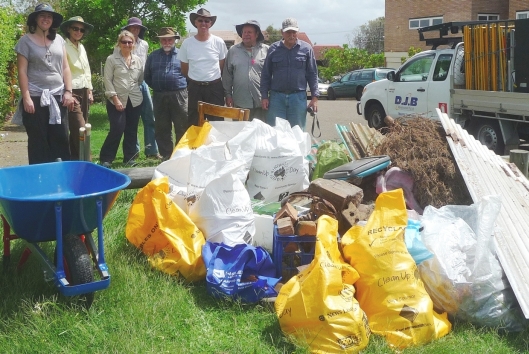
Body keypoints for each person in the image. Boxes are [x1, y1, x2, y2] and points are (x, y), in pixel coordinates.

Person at [15, 3, 74, 164]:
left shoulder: (60, 40)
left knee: (61, 137)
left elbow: (66, 67)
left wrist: (68, 92)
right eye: (42, 15)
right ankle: (38, 180)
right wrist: (26, 97)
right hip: (35, 97)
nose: (46, 19)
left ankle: (61, 178)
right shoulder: (25, 42)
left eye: (49, 16)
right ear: (35, 19)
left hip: (58, 96)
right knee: (38, 140)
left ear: (53, 20)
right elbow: (22, 71)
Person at [260, 18, 319, 129]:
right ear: (282, 32)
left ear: (298, 32)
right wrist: (264, 96)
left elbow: (312, 74)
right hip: (276, 98)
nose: (291, 35)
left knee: (297, 133)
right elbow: (266, 74)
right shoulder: (273, 49)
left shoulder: (307, 49)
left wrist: (315, 98)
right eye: (288, 32)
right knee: (275, 132)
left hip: (298, 97)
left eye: (294, 32)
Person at [99, 30, 143, 167]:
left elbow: (140, 80)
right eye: (124, 42)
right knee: (117, 128)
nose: (127, 44)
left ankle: (130, 158)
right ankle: (106, 158)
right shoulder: (111, 59)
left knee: (131, 129)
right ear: (119, 44)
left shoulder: (138, 60)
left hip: (135, 99)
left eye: (130, 42)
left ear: (133, 44)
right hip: (116, 100)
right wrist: (115, 98)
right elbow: (107, 80)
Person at [177, 8, 227, 126]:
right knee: (194, 123)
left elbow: (222, 66)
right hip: (195, 88)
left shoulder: (218, 42)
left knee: (217, 124)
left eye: (207, 21)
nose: (203, 23)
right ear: (195, 22)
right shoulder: (187, 43)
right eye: (200, 20)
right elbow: (184, 69)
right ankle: (196, 145)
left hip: (215, 88)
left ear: (210, 23)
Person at [144, 27, 188, 161]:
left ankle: (181, 156)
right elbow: (147, 76)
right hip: (159, 95)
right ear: (160, 41)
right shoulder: (153, 56)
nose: (167, 42)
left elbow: (190, 75)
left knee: (182, 126)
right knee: (162, 127)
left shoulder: (183, 55)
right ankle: (166, 156)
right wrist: (159, 87)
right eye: (164, 40)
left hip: (179, 95)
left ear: (175, 40)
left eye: (169, 39)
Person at [121, 17, 161, 160]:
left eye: (138, 28)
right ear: (128, 29)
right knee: (132, 119)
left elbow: (146, 65)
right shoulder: (122, 44)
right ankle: (134, 151)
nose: (135, 29)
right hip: (127, 85)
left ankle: (151, 151)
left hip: (142, 83)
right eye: (133, 27)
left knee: (149, 117)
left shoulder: (144, 44)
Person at [60, 16, 94, 160]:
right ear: (68, 29)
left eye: (81, 30)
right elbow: (61, 70)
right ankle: (89, 163)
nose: (79, 32)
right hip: (72, 91)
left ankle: (74, 163)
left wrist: (90, 90)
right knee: (81, 130)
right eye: (75, 28)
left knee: (80, 129)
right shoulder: (63, 46)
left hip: (85, 90)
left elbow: (86, 70)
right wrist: (67, 92)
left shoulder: (82, 47)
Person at [222, 20, 269, 122]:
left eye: (249, 32)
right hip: (240, 102)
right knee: (240, 134)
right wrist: (228, 95)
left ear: (256, 34)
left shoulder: (266, 50)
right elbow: (227, 75)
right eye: (244, 32)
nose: (246, 35)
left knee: (259, 134)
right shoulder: (233, 51)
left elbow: (272, 75)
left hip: (261, 102)